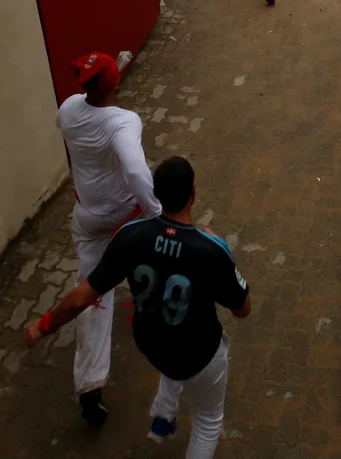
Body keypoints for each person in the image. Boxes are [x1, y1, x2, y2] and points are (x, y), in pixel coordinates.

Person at [25, 156, 250, 457]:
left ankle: (162, 416)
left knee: (172, 354)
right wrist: (227, 256)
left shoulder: (130, 236)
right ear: (193, 193)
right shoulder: (210, 250)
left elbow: (81, 298)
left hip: (152, 342)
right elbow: (242, 309)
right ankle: (168, 416)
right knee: (208, 421)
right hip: (199, 354)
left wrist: (43, 326)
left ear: (155, 194)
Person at [52, 51, 160, 426]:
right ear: (116, 82)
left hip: (87, 216)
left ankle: (90, 384)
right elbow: (135, 168)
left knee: (93, 291)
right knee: (150, 264)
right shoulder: (124, 122)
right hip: (125, 217)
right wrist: (155, 212)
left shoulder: (67, 110)